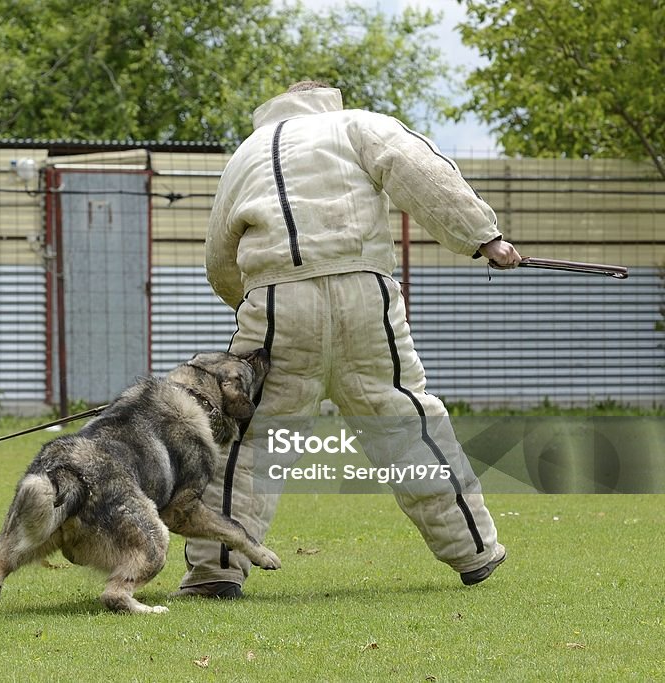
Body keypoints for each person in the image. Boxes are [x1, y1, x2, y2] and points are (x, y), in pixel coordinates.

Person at [175, 81, 520, 599]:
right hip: (366, 294)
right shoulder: (357, 124)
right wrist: (483, 237)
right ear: (326, 100)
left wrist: (249, 303)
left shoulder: (244, 156)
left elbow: (219, 258)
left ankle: (217, 569)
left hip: (275, 303)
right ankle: (473, 549)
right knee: (409, 424)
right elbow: (422, 171)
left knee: (249, 440)